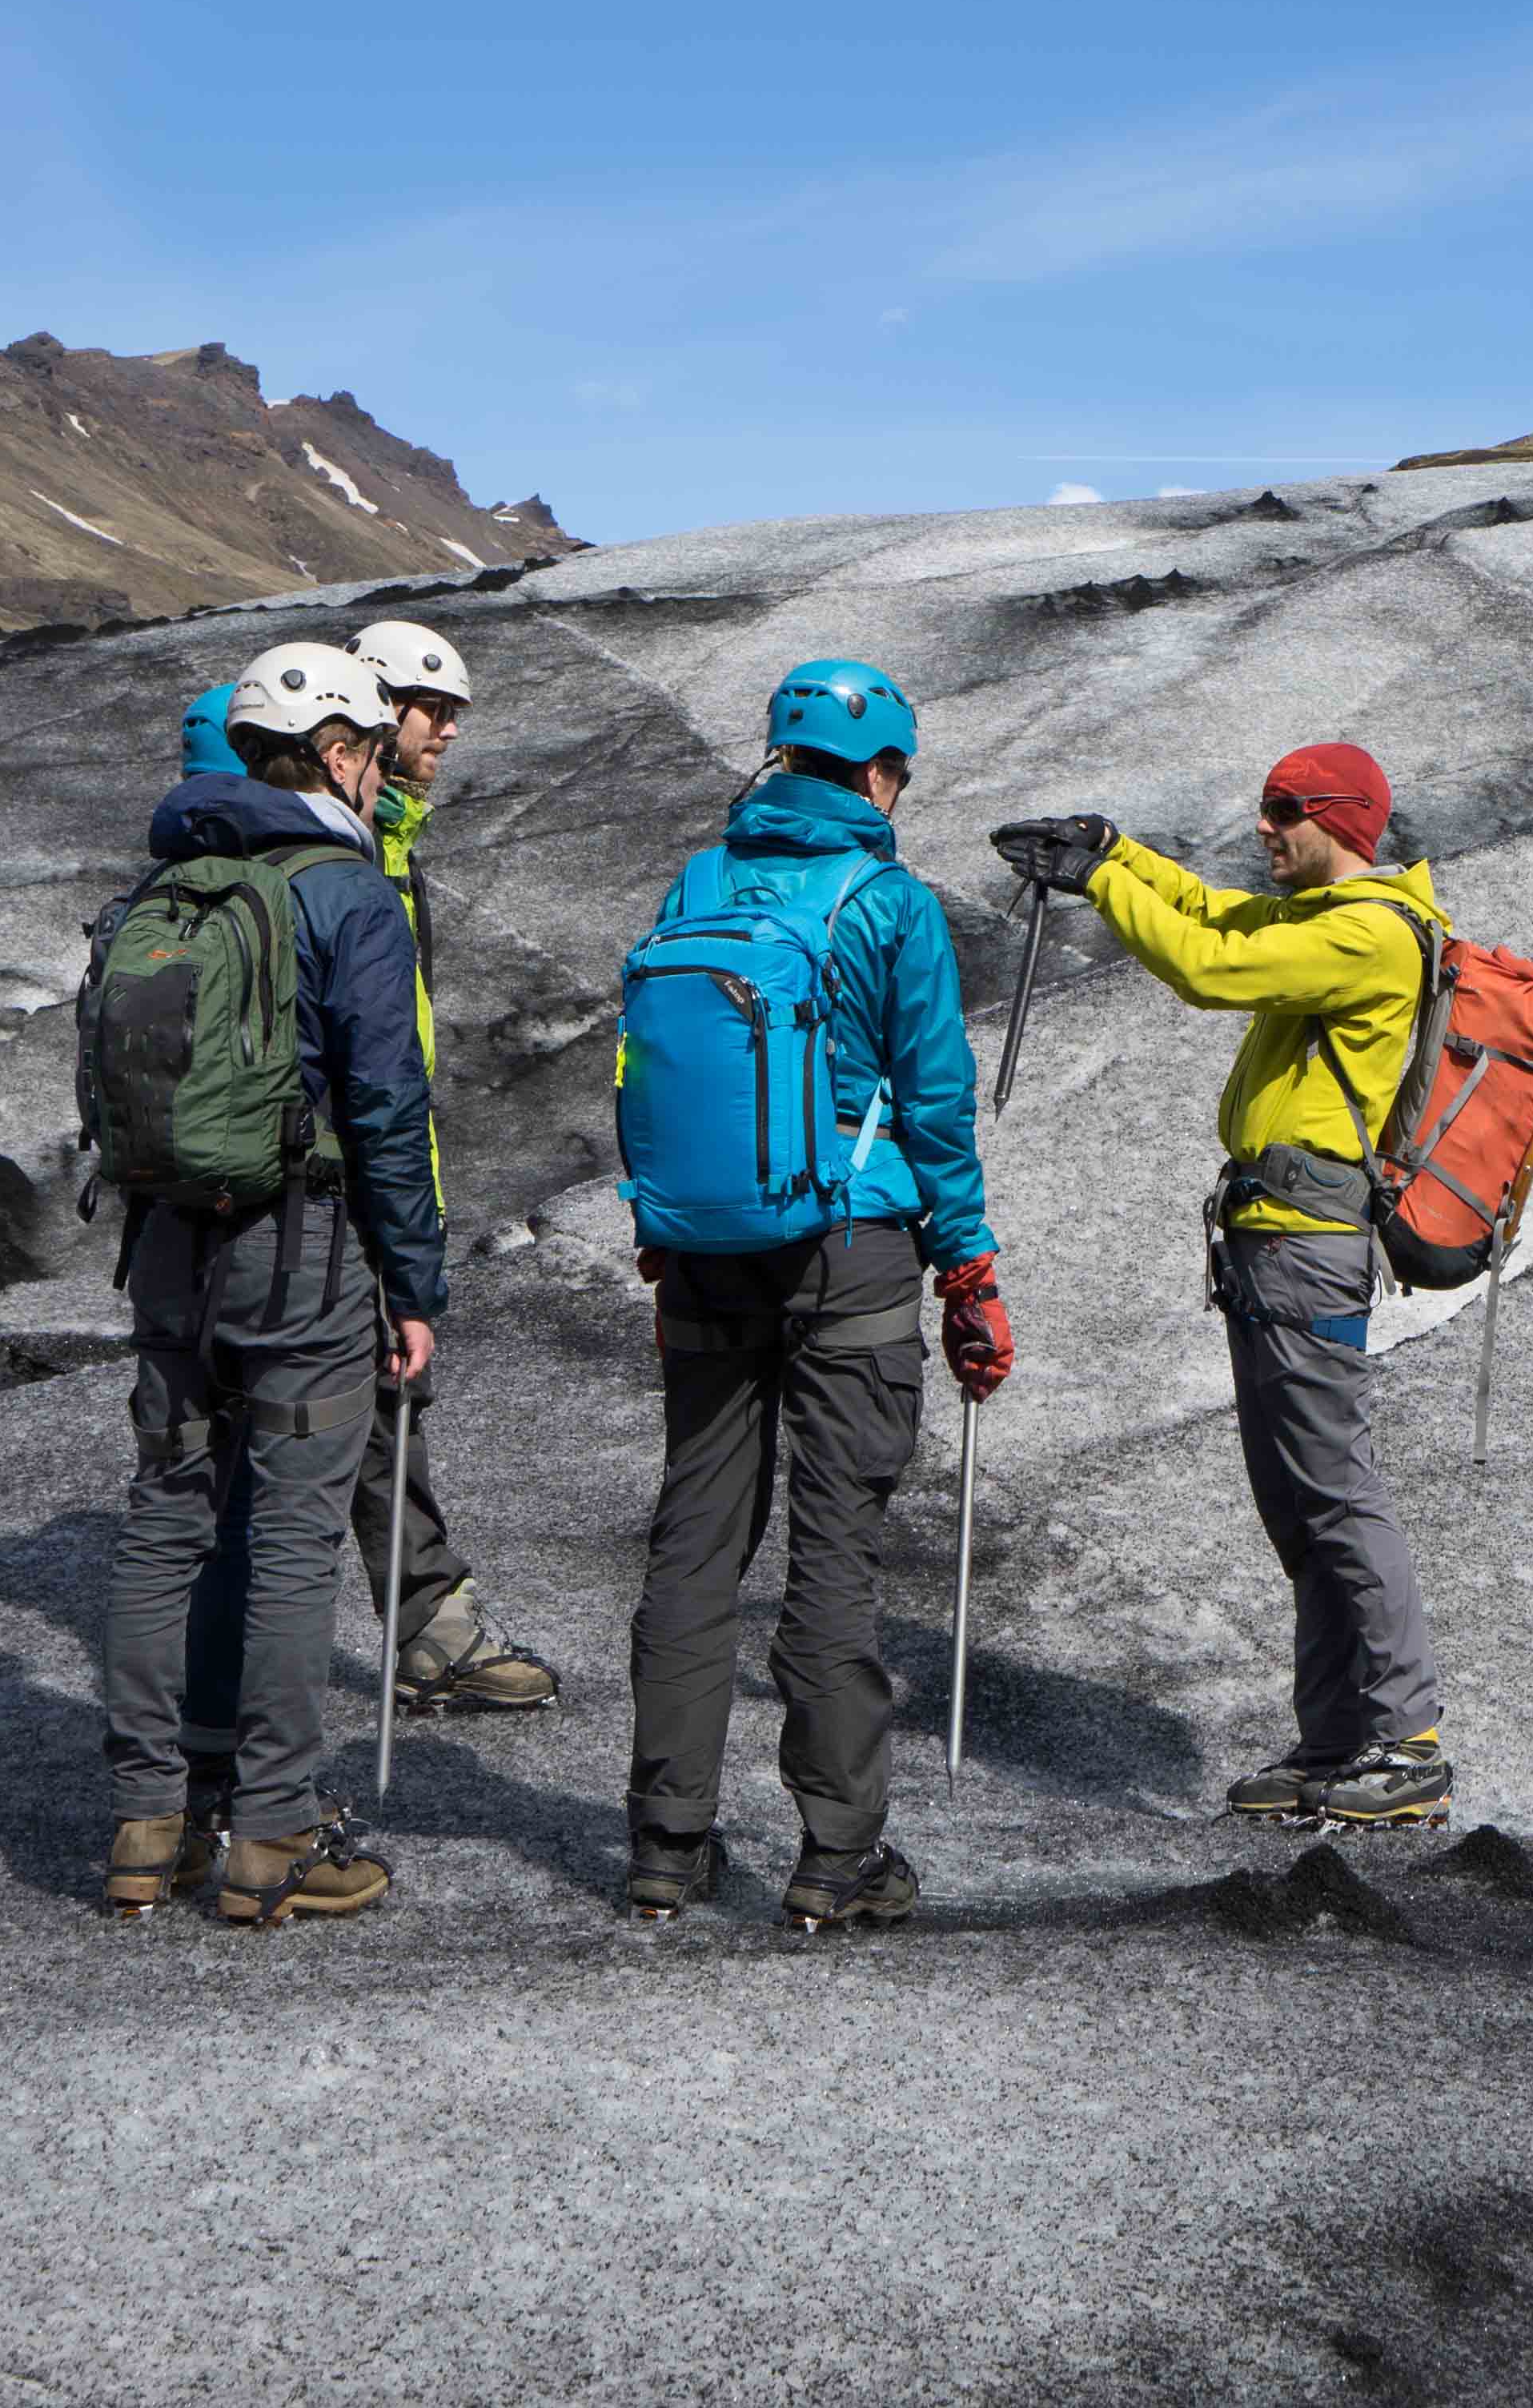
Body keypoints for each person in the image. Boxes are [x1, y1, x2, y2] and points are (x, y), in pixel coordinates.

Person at [993, 747, 1455, 1829]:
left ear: (1337, 819)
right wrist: (1121, 856)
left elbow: (1208, 968)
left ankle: (1409, 1742)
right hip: (1270, 1240)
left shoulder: (1365, 931)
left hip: (1303, 1242)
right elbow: (1214, 915)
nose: (1263, 828)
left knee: (1334, 1490)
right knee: (1301, 1502)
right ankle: (1340, 1740)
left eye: (1283, 811)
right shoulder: (1324, 916)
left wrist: (1103, 885)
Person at [618, 658, 1010, 1931]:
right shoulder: (888, 901)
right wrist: (970, 1269)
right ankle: (837, 1857)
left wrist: (666, 1213)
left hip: (707, 1249)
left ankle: (666, 1847)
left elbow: (654, 1061)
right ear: (883, 772)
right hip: (851, 1253)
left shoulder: (699, 881)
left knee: (695, 1540)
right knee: (834, 1547)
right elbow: (936, 1103)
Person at [91, 639, 446, 1926]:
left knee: (166, 1516)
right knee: (292, 1537)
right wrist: (415, 1285)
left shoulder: (165, 882)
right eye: (368, 751)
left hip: (167, 1247)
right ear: (344, 753)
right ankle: (275, 1838)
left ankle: (148, 1828)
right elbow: (387, 1105)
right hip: (301, 1254)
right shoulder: (347, 898)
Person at [334, 617, 560, 1715]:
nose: (452, 728)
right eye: (435, 708)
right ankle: (425, 1633)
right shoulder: (346, 852)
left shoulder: (388, 843)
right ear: (375, 710)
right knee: (375, 1407)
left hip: (356, 1180)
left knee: (378, 1415)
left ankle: (425, 1626)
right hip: (339, 1194)